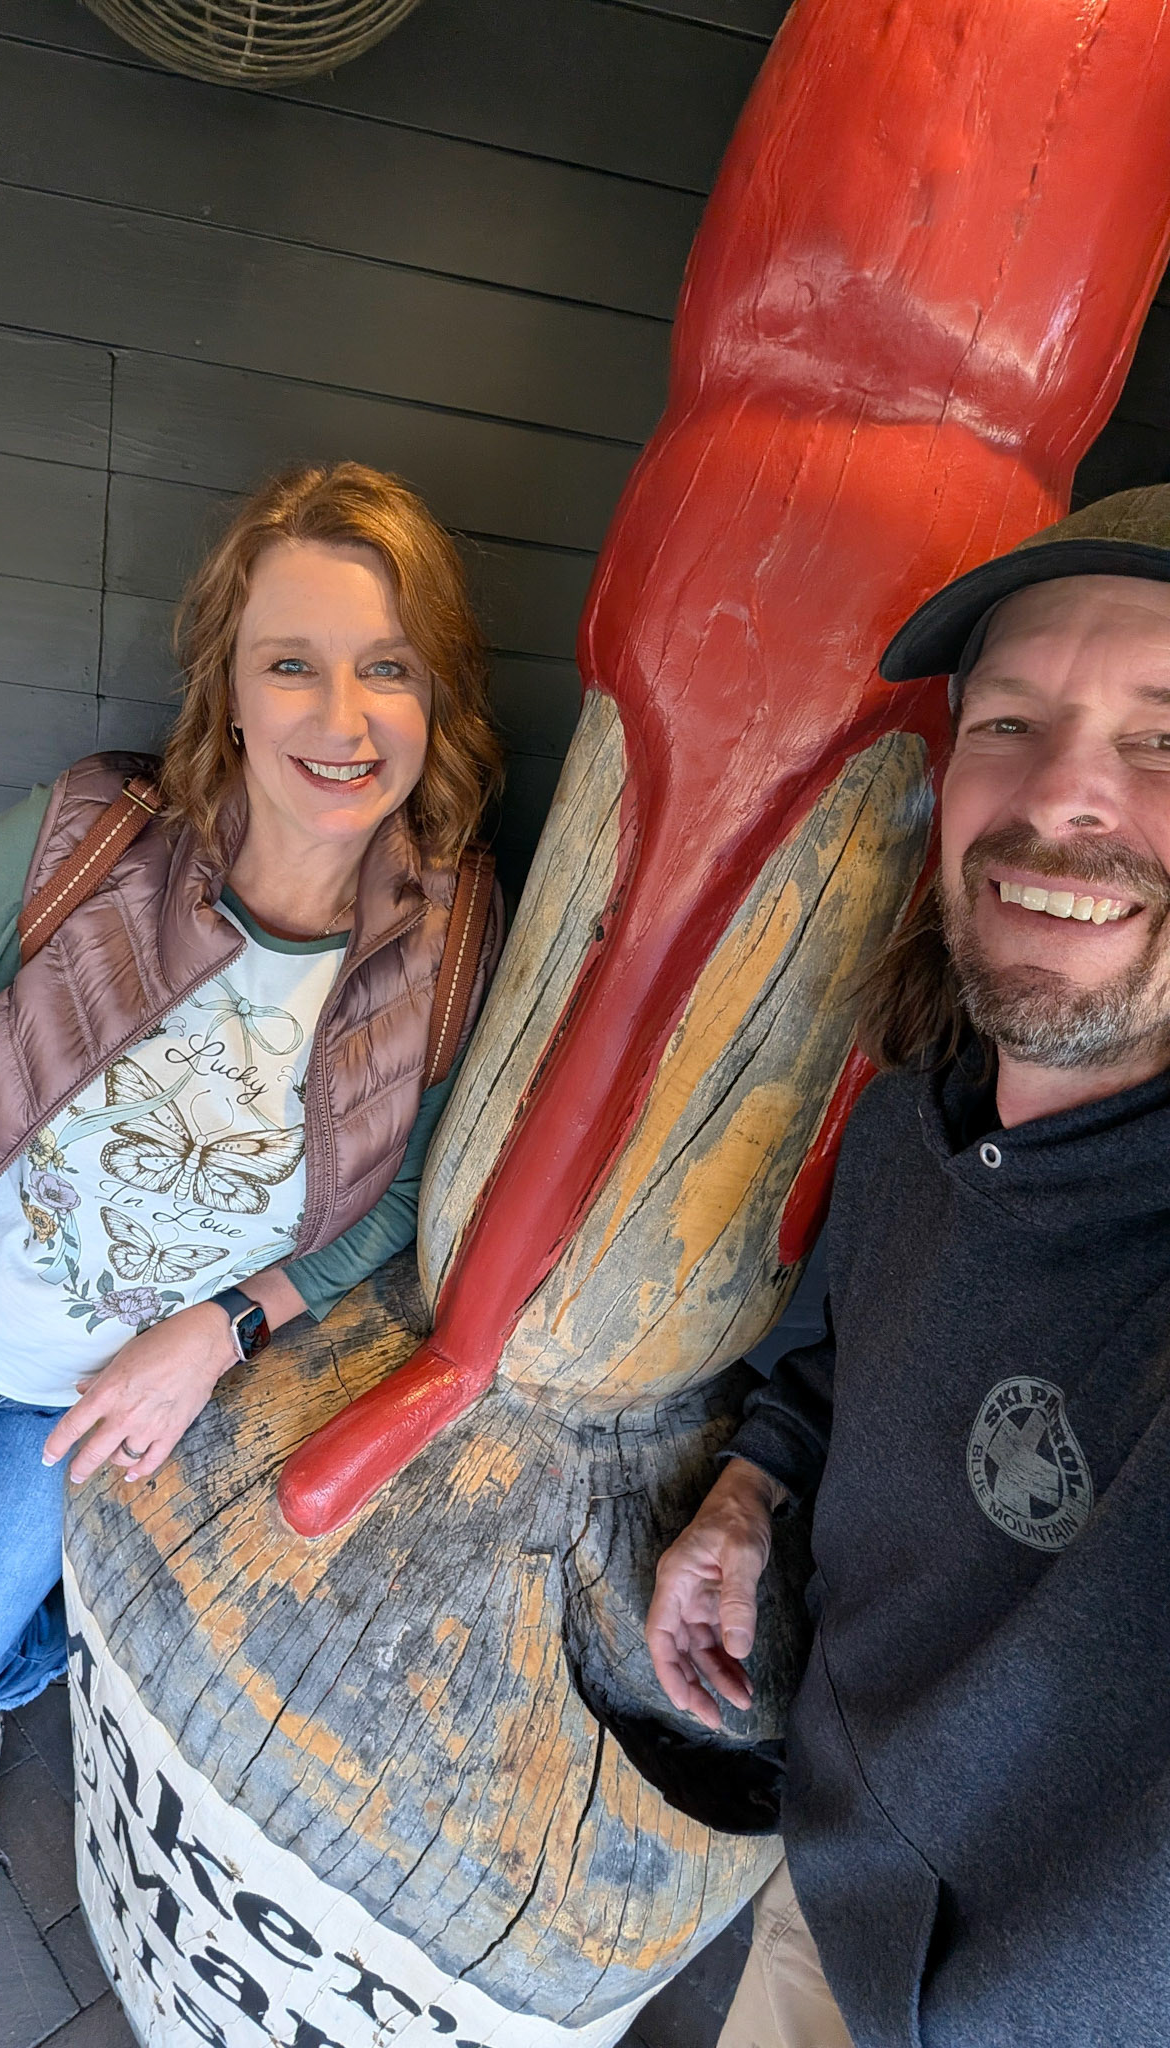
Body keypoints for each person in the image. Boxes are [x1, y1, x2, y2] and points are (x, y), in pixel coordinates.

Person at [0, 462, 505, 1934]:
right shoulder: (92, 835)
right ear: (231, 689)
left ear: (437, 700)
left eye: (387, 668)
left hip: (83, 1400)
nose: (341, 719)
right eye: (291, 665)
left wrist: (223, 1328)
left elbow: (400, 1193)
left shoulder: (453, 938)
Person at [646, 484, 1170, 2048]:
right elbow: (847, 1364)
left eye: (1164, 741)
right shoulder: (904, 1127)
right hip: (829, 1898)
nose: (1063, 794)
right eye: (1009, 723)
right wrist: (754, 1489)